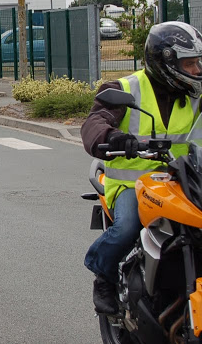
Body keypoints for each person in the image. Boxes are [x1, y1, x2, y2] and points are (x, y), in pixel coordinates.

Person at [82, 21, 202, 314]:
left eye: (199, 62)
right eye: (190, 64)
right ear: (165, 62)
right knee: (126, 228)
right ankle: (104, 275)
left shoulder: (196, 94)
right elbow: (93, 124)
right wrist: (114, 137)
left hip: (185, 180)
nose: (197, 70)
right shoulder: (125, 89)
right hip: (131, 184)